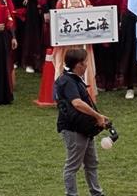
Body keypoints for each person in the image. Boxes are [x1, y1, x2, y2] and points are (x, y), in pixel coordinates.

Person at [54, 48, 108, 196]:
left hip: (83, 128)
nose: (86, 65)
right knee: (72, 166)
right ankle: (71, 194)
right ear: (78, 65)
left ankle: (97, 193)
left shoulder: (73, 79)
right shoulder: (68, 81)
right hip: (73, 129)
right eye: (85, 63)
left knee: (92, 163)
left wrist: (99, 117)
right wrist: (97, 116)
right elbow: (77, 103)